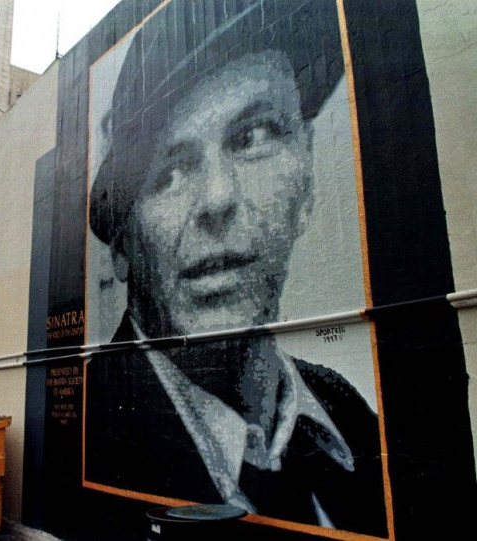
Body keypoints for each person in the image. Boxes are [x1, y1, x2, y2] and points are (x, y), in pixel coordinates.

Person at [84, 0, 387, 536]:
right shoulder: (94, 422)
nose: (218, 200)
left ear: (308, 174)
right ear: (123, 246)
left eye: (253, 138)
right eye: (169, 172)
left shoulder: (349, 415)